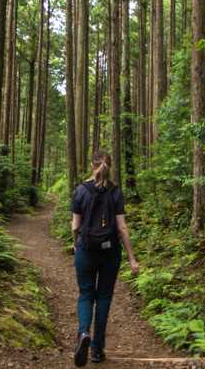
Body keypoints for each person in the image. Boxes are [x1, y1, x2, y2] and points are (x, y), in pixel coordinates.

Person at [70, 150, 139, 366]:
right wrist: (132, 258)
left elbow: (75, 226)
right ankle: (97, 350)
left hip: (86, 250)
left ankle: (83, 334)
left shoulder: (80, 190)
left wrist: (76, 243)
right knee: (104, 298)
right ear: (110, 166)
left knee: (85, 294)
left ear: (92, 165)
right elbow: (122, 227)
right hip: (110, 253)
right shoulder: (116, 192)